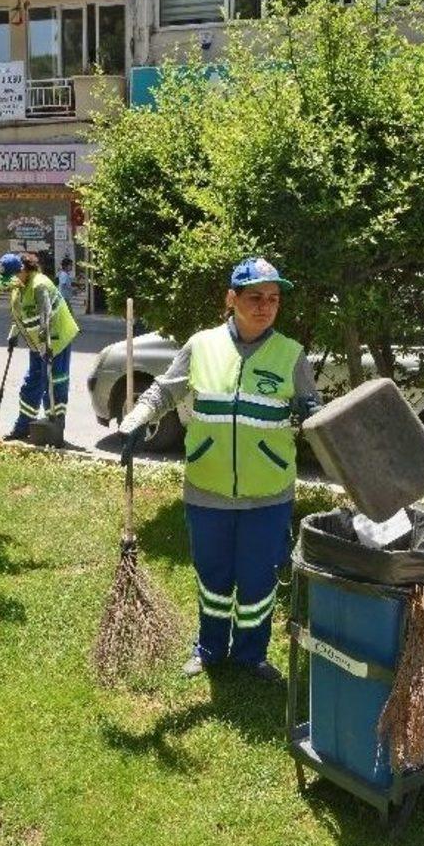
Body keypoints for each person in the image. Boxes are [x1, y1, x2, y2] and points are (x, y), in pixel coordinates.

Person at [119, 257, 321, 681]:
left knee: (258, 580)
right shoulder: (202, 346)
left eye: (274, 299)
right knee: (213, 576)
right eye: (255, 298)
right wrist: (137, 418)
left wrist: (319, 419)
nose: (265, 306)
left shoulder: (291, 354)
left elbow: (315, 413)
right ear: (232, 299)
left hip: (268, 493)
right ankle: (209, 648)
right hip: (206, 487)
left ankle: (251, 654)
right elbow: (164, 391)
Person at [0, 252, 79, 442]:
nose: (11, 281)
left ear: (22, 270)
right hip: (37, 345)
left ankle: (55, 426)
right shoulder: (18, 289)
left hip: (56, 342)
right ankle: (23, 426)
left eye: (13, 276)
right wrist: (13, 336)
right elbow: (20, 317)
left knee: (55, 382)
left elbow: (46, 316)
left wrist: (46, 343)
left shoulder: (39, 285)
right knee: (31, 383)